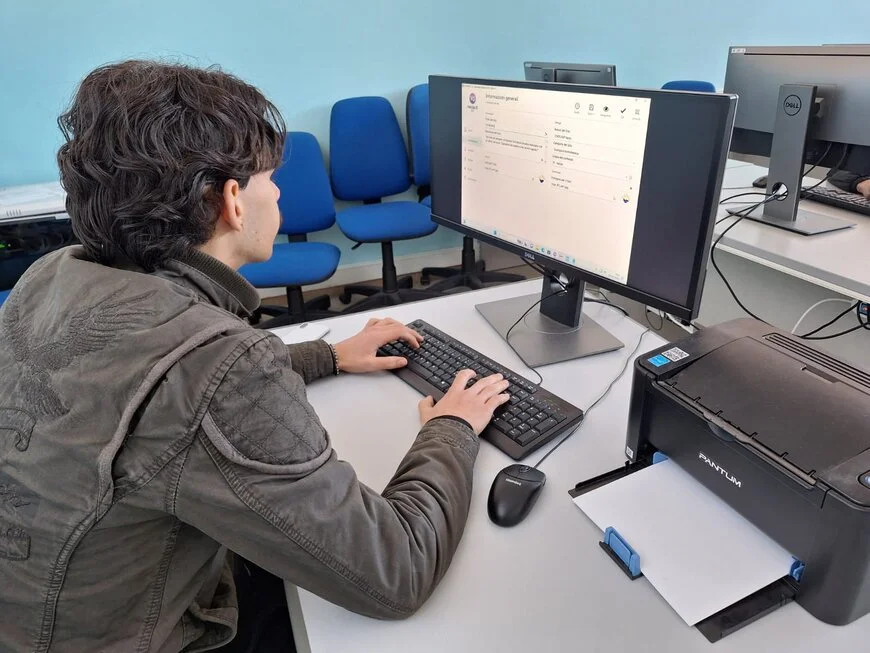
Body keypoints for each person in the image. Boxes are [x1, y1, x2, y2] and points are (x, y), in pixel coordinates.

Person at [0, 61, 510, 653]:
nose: (280, 192)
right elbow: (396, 572)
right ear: (233, 201)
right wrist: (451, 429)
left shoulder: (50, 275)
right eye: (271, 178)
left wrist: (327, 356)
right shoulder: (218, 365)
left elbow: (157, 395)